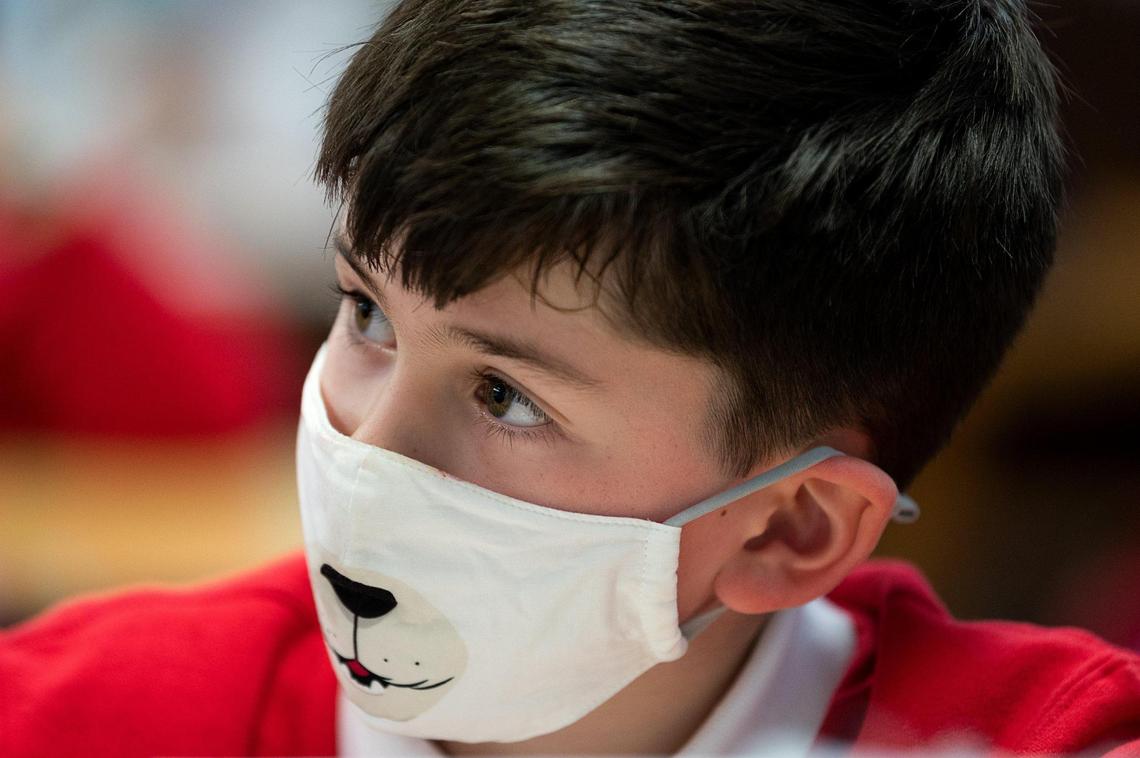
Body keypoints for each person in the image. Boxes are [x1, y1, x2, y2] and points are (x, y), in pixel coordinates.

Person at [3, 0, 1139, 755]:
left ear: (787, 526)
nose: (365, 450)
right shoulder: (83, 715)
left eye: (507, 393)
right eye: (368, 315)